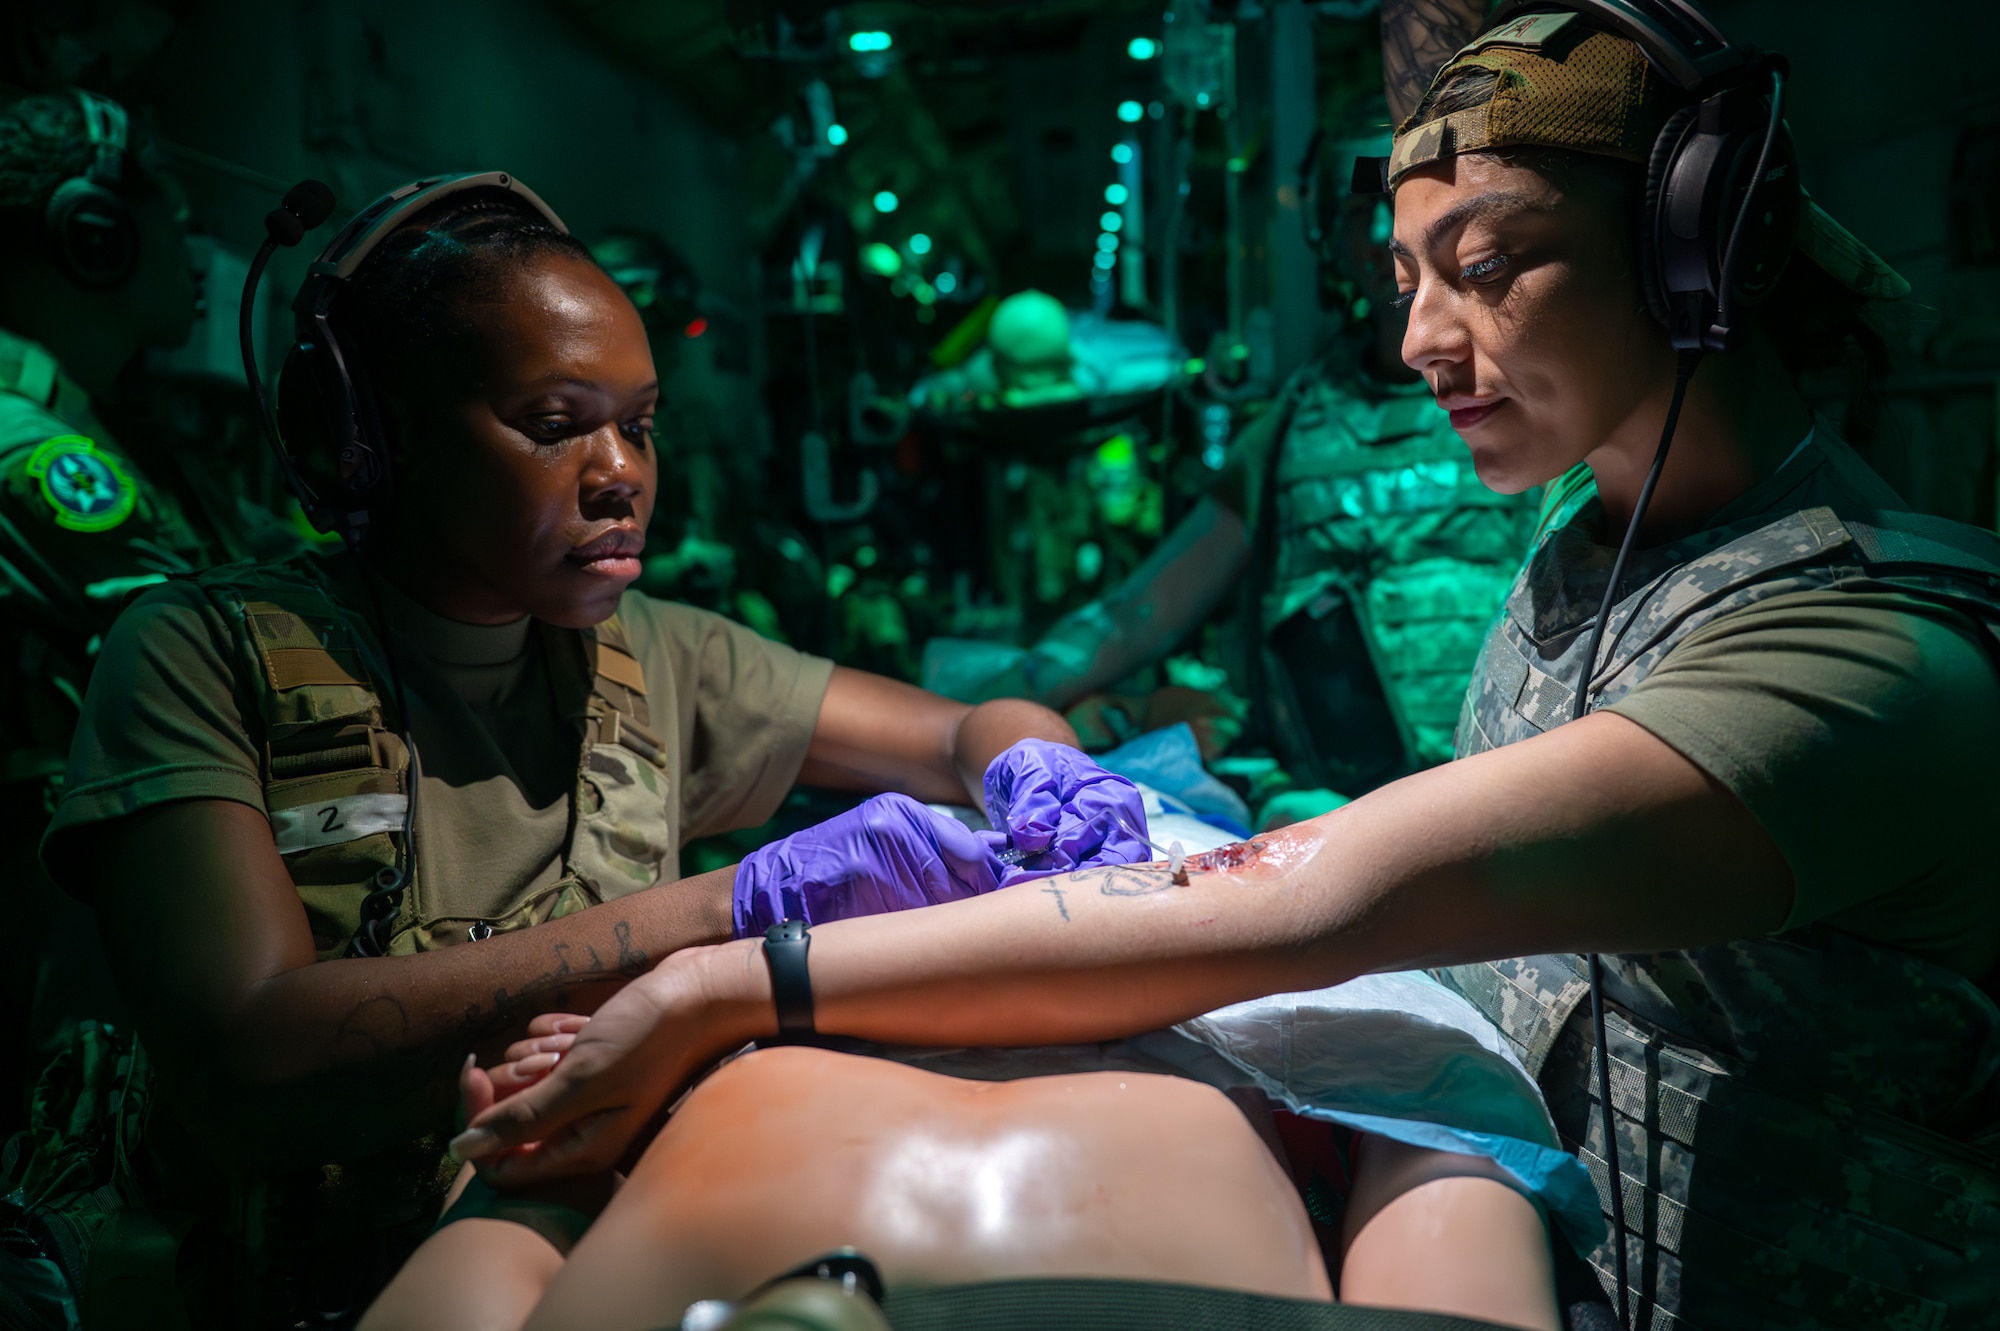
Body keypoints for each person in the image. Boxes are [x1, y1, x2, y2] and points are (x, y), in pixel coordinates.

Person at [455, 8, 2000, 1329]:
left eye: (1494, 265)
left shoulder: (1869, 654)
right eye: (1407, 279)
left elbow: (1315, 895)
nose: (1422, 340)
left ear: (1688, 252)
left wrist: (733, 981)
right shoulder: (1590, 543)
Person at [25, 174, 1137, 1329]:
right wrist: (732, 910)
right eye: (554, 425)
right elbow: (244, 1062)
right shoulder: (205, 658)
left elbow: (960, 727)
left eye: (639, 423)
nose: (621, 473)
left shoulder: (651, 653)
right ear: (374, 438)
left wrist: (1038, 765)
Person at [926, 119, 1539, 819]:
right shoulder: (1290, 430)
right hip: (1341, 810)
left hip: (1509, 795)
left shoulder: (1532, 394)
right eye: (1358, 208)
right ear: (1323, 232)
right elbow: (1140, 611)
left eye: (1400, 203)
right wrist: (964, 711)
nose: (1379, 233)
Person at [0, 89, 294, 1156]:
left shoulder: (112, 423)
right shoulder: (26, 446)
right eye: (168, 211)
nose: (195, 247)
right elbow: (217, 632)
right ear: (95, 234)